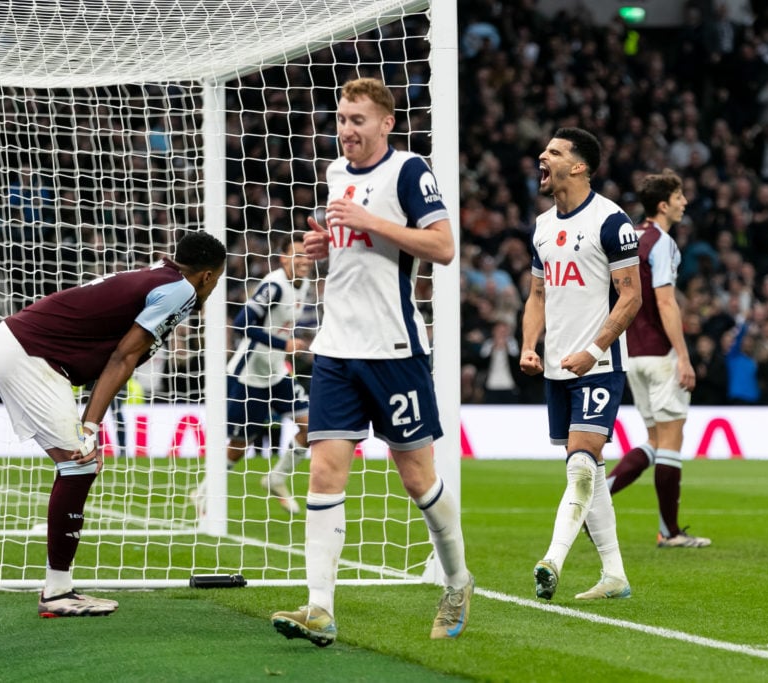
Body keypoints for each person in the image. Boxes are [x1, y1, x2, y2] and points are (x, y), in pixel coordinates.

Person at [270, 77, 472, 645]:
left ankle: (457, 580)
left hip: (394, 349)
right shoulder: (336, 175)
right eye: (341, 119)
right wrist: (325, 247)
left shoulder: (410, 171)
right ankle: (319, 607)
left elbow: (443, 247)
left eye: (358, 120)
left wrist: (369, 224)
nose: (346, 130)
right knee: (323, 468)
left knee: (416, 478)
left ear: (386, 123)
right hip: (335, 349)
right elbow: (353, 253)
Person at [0, 231, 226, 616]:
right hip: (27, 352)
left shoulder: (162, 277)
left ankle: (59, 588)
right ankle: (57, 593)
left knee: (82, 463)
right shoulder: (181, 290)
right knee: (79, 462)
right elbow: (122, 358)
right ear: (208, 277)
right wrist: (91, 425)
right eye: (216, 282)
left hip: (21, 346)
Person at [520, 127, 642, 601]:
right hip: (556, 367)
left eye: (553, 152)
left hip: (599, 363)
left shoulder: (612, 222)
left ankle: (552, 558)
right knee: (588, 471)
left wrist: (594, 350)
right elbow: (537, 293)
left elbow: (630, 297)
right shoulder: (543, 226)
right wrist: (530, 344)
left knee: (581, 467)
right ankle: (614, 574)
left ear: (579, 166)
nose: (541, 156)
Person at [605, 171, 710, 549]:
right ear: (663, 204)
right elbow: (665, 301)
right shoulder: (661, 243)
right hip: (660, 353)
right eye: (680, 197)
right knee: (670, 441)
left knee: (652, 439)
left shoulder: (629, 236)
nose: (685, 202)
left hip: (631, 352)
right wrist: (683, 356)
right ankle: (670, 532)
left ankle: (596, 499)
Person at [194, 232, 313, 516]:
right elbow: (242, 324)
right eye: (297, 255)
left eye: (306, 255)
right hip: (248, 376)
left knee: (313, 425)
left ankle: (276, 478)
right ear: (284, 258)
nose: (304, 261)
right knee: (240, 444)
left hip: (276, 372)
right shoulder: (273, 285)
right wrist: (284, 344)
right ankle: (203, 493)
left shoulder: (305, 284)